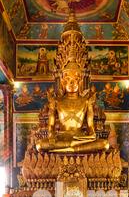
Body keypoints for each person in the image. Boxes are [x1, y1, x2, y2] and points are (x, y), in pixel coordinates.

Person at [36, 12, 109, 154]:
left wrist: (91, 135)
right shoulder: (56, 101)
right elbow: (50, 127)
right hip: (61, 138)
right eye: (68, 80)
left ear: (81, 80)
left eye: (75, 80)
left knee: (104, 144)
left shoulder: (86, 101)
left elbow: (91, 128)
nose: (72, 83)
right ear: (62, 81)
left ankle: (69, 149)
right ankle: (70, 148)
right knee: (40, 145)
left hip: (81, 138)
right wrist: (51, 136)